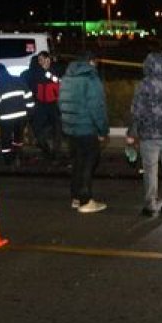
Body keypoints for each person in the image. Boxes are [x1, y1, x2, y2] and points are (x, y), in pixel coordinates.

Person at [126, 52, 162, 216]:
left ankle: (150, 205)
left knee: (150, 170)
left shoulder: (144, 85)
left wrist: (131, 133)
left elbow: (137, 112)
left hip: (149, 135)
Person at [59, 53, 108, 213]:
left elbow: (61, 102)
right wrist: (103, 130)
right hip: (87, 128)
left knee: (77, 163)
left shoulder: (66, 78)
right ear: (91, 62)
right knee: (89, 162)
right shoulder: (91, 79)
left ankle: (76, 198)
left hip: (70, 128)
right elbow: (97, 107)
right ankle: (85, 201)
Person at [0, 63, 33, 166]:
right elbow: (29, 97)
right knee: (18, 137)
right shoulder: (19, 80)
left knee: (5, 140)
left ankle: (8, 160)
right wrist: (30, 113)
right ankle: (18, 154)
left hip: (6, 119)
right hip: (21, 117)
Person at [23, 51, 63, 159]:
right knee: (38, 128)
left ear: (47, 59)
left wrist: (49, 73)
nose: (40, 62)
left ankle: (55, 152)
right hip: (41, 104)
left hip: (54, 104)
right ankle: (46, 149)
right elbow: (36, 80)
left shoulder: (56, 69)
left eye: (41, 60)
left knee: (57, 127)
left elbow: (59, 81)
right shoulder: (37, 71)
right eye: (39, 60)